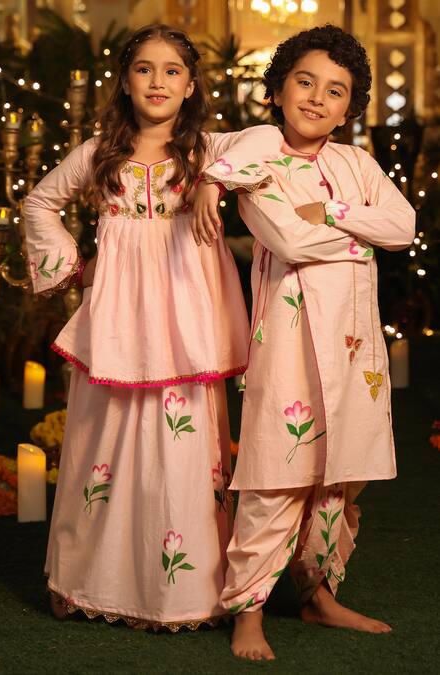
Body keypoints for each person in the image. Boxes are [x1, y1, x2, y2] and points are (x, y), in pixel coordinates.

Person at [23, 23, 282, 631]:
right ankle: (84, 580)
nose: (157, 81)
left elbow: (269, 136)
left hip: (188, 324)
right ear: (125, 81)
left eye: (172, 70)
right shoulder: (99, 153)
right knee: (101, 442)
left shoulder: (207, 150)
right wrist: (72, 266)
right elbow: (39, 202)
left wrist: (212, 182)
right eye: (144, 68)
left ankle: (184, 593)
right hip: (117, 323)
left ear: (191, 85)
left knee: (184, 447)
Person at [196, 24, 415, 658]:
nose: (318, 98)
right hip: (288, 346)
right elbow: (288, 240)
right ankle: (248, 609)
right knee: (277, 473)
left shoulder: (357, 165)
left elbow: (403, 226)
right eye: (305, 81)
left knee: (341, 477)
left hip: (354, 348)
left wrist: (337, 213)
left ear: (349, 109)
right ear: (277, 90)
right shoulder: (258, 162)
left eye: (335, 90)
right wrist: (360, 241)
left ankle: (319, 596)